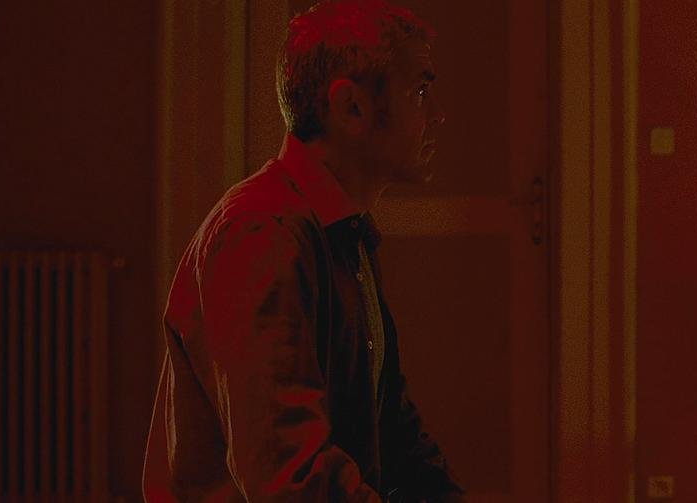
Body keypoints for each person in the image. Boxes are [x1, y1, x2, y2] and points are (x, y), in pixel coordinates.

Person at [142, 1, 463, 501]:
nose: (437, 113)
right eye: (418, 91)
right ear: (351, 107)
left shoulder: (342, 231)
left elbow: (395, 435)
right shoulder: (262, 234)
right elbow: (290, 476)